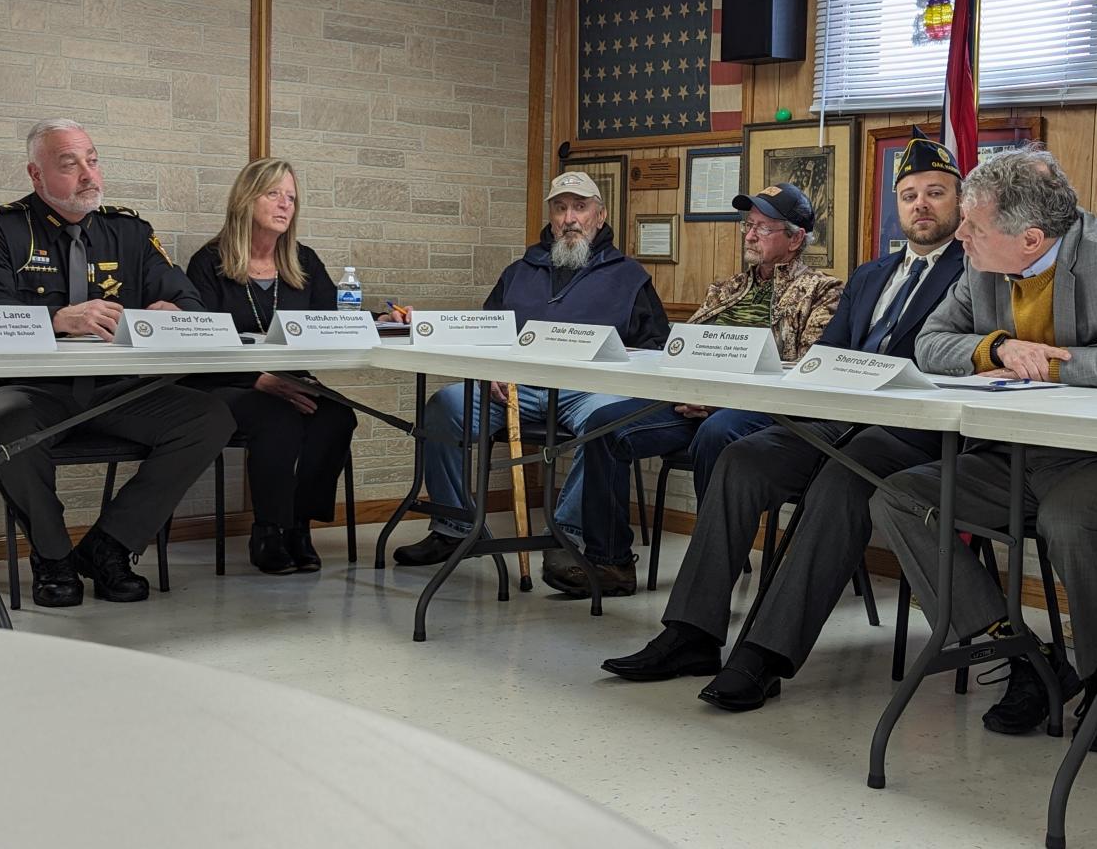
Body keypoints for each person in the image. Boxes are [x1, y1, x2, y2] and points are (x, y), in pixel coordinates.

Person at [600, 129, 965, 711]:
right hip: (834, 419)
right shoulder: (873, 275)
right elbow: (827, 358)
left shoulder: (977, 274)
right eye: (910, 194)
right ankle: (692, 633)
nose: (921, 204)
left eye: (936, 193)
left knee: (842, 483)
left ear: (960, 203)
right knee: (742, 458)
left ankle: (764, 654)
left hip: (909, 431)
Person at [869, 144, 1097, 753]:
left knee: (1069, 518)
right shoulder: (980, 261)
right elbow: (930, 341)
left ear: (1031, 237)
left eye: (974, 224)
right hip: (1017, 454)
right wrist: (994, 349)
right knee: (901, 498)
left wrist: (1056, 365)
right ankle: (1017, 651)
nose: (959, 233)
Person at [0, 118, 235, 607]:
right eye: (69, 164)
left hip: (117, 389)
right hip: (32, 391)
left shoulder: (128, 232)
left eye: (92, 160)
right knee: (2, 426)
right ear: (36, 174)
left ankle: (109, 547)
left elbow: (190, 300)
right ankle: (52, 558)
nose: (88, 174)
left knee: (209, 417)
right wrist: (57, 318)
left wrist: (174, 312)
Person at [542, 182, 843, 598]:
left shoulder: (823, 291)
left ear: (794, 239)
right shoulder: (726, 289)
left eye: (762, 227)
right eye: (748, 225)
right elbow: (681, 346)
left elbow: (806, 369)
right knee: (602, 425)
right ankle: (609, 562)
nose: (750, 235)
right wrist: (683, 385)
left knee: (716, 434)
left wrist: (720, 399)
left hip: (757, 410)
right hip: (690, 402)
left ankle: (713, 574)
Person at [394, 171, 670, 567]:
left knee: (605, 423)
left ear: (600, 215)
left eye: (580, 207)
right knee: (444, 407)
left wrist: (615, 377)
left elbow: (654, 350)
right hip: (514, 391)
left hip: (587, 393)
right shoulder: (521, 270)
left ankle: (568, 536)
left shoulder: (629, 277)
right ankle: (453, 529)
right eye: (560, 208)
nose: (569, 218)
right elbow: (485, 333)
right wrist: (488, 373)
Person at [187, 158, 363, 575]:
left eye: (292, 198)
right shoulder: (209, 263)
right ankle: (268, 529)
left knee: (337, 417)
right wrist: (258, 379)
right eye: (274, 194)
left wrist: (379, 320)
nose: (285, 205)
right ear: (246, 199)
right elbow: (198, 340)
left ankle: (298, 526)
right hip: (227, 384)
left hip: (292, 380)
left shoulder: (303, 262)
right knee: (278, 419)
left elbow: (332, 320)